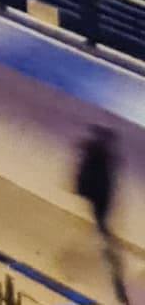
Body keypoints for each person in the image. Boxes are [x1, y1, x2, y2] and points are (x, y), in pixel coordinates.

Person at [76, 127, 129, 303]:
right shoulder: (99, 156)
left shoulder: (93, 153)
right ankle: (116, 279)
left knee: (103, 229)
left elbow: (86, 176)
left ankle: (116, 277)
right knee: (103, 229)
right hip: (101, 197)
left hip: (98, 197)